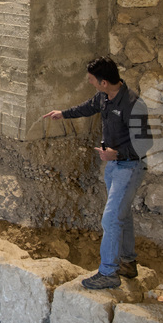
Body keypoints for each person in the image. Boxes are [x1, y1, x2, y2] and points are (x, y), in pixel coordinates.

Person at [42, 57, 146, 290]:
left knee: (110, 218)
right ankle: (128, 263)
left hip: (128, 167)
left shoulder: (133, 104)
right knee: (122, 215)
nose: (90, 83)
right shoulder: (103, 97)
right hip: (113, 166)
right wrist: (63, 114)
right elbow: (88, 107)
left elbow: (144, 143)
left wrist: (116, 154)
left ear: (105, 82)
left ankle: (108, 272)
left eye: (92, 80)